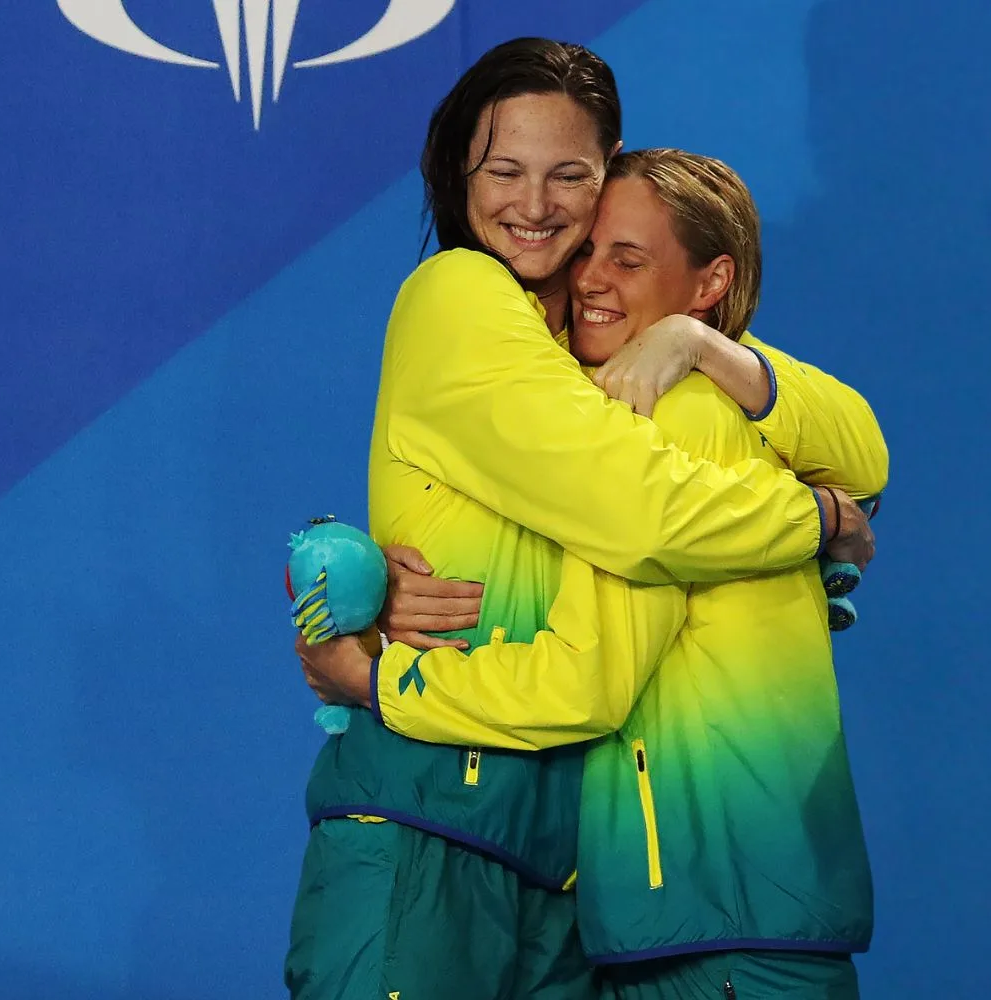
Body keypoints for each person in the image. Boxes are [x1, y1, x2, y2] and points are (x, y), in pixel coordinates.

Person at [287, 38, 886, 1000]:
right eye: (503, 171)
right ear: (456, 174)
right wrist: (812, 518)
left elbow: (861, 445)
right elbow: (639, 509)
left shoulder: (611, 353)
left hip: (568, 876)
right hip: (434, 821)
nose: (534, 205)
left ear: (606, 177)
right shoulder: (460, 292)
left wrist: (701, 344)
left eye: (569, 174)